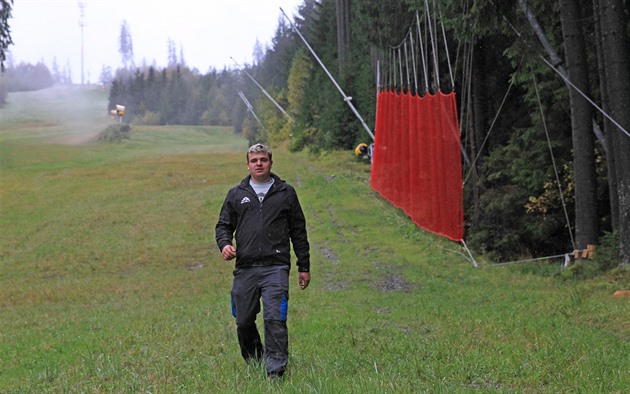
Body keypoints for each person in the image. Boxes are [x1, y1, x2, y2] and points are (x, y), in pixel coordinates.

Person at [215, 142, 311, 379]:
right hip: (245, 268)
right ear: (247, 164)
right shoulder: (236, 194)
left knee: (274, 318)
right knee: (243, 320)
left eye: (263, 160)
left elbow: (298, 230)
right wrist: (225, 244)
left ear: (270, 162)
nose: (259, 164)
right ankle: (256, 360)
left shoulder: (285, 193)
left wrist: (303, 266)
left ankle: (275, 371)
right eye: (254, 160)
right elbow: (223, 226)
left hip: (275, 267)